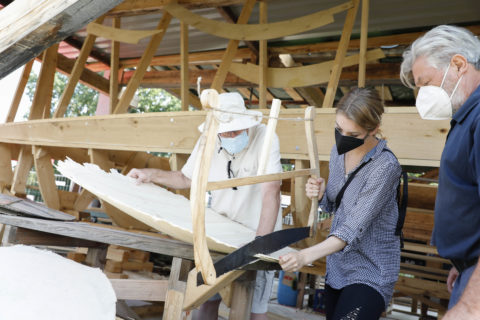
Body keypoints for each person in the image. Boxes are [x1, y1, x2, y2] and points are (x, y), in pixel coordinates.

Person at [128, 92, 282, 320]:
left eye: (236, 131)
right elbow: (186, 179)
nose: (230, 135)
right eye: (225, 132)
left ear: (247, 124)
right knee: (206, 300)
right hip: (220, 233)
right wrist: (150, 174)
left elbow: (271, 190)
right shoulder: (210, 137)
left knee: (253, 312)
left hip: (257, 231)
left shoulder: (266, 136)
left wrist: (260, 245)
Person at [279, 88, 402, 320]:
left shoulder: (385, 167)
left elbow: (350, 229)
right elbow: (334, 207)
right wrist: (321, 193)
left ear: (373, 129)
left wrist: (305, 256)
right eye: (338, 129)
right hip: (338, 267)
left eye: (352, 134)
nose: (343, 138)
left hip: (371, 271)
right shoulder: (338, 152)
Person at [400, 25, 480, 319]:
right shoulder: (467, 117)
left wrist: (473, 304)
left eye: (426, 82)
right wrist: (463, 266)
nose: (422, 94)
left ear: (458, 64)